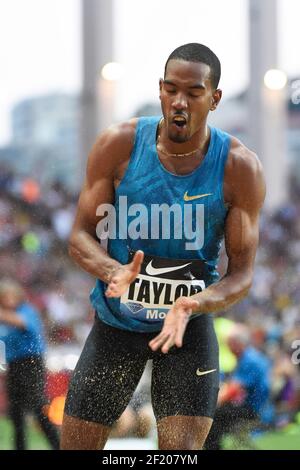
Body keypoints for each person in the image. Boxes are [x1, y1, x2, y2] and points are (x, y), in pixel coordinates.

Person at [61, 43, 265, 450]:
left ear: (215, 98)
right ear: (159, 90)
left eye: (192, 92)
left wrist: (194, 303)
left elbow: (242, 274)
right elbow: (79, 236)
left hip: (186, 328)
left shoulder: (238, 167)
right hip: (117, 324)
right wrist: (110, 270)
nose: (179, 101)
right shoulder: (118, 145)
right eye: (171, 89)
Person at [0, 279, 59, 450]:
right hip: (14, 365)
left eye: (9, 296)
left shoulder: (27, 311)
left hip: (31, 363)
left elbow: (23, 323)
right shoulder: (5, 319)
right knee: (16, 411)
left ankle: (57, 444)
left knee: (38, 406)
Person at [204, 324, 274, 450]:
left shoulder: (249, 360)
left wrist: (213, 402)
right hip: (255, 406)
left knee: (211, 418)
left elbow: (233, 389)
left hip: (254, 410)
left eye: (230, 344)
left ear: (238, 343)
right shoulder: (251, 357)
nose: (229, 348)